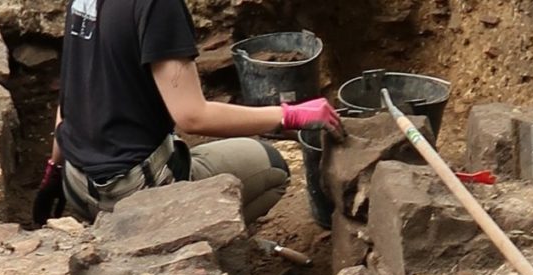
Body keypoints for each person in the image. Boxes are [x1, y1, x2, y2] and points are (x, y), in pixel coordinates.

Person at [32, 0, 343, 227]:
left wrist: (54, 169)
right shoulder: (157, 6)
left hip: (75, 183)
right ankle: (192, 243)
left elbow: (71, 96)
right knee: (274, 167)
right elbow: (193, 116)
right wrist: (290, 115)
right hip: (133, 194)